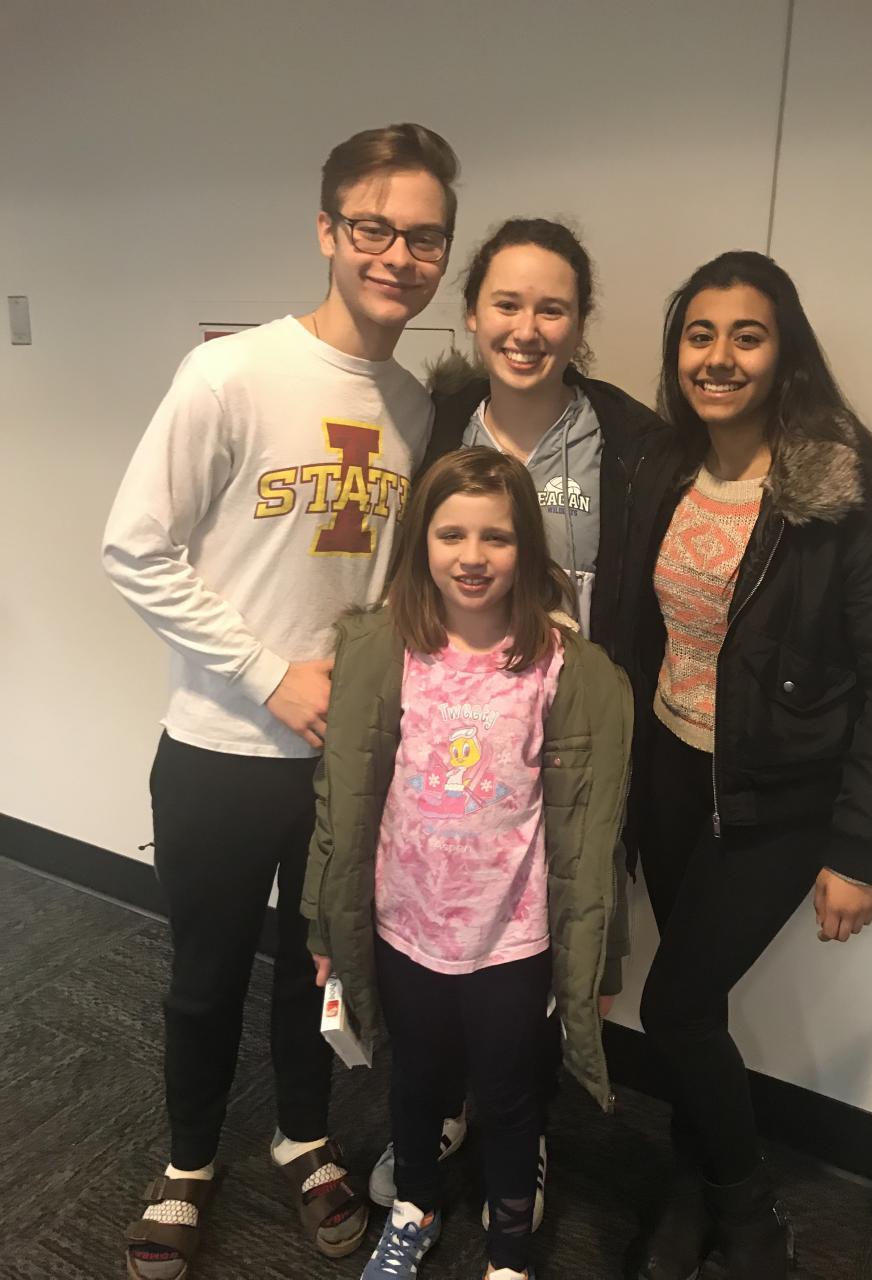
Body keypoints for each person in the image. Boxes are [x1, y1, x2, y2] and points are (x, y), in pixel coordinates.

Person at [102, 121, 460, 1278]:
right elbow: (135, 548)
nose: (398, 254)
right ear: (326, 230)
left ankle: (303, 1137)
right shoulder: (230, 374)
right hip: (218, 745)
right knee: (204, 976)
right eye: (373, 227)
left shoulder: (414, 408)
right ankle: (186, 1163)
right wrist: (269, 672)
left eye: (424, 236)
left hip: (342, 767)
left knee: (325, 970)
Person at [622, 250, 872, 1280]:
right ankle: (690, 1191)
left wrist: (861, 847)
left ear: (785, 352)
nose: (718, 357)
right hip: (671, 774)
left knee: (672, 1007)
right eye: (699, 334)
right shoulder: (669, 463)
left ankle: (749, 1212)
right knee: (695, 1003)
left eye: (746, 336)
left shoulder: (843, 484)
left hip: (778, 798)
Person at [366, 215, 662, 1218]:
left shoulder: (632, 444)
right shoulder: (436, 423)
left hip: (562, 754)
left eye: (552, 308)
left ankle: (519, 1132)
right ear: (471, 312)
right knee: (443, 949)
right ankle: (447, 1107)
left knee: (537, 955)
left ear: (580, 322)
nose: (527, 328)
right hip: (456, 747)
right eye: (506, 303)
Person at [302, 448, 633, 1280]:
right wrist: (322, 922)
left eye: (497, 537)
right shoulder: (382, 650)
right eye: (452, 535)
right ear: (422, 541)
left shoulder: (564, 668)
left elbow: (595, 833)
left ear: (528, 549)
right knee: (415, 1083)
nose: (473, 556)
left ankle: (509, 1252)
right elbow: (339, 800)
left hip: (511, 940)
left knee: (512, 1096)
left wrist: (602, 958)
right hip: (404, 928)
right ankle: (412, 1212)